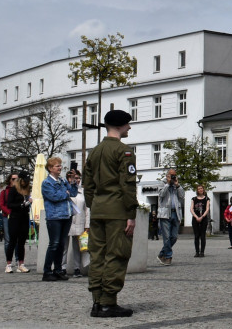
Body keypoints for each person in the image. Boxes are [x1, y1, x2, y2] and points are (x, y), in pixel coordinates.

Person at [83, 109, 138, 318]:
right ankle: (108, 302)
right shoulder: (124, 151)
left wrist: (94, 205)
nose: (129, 127)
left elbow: (88, 185)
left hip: (98, 210)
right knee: (117, 254)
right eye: (128, 124)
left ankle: (97, 301)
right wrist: (131, 213)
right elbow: (127, 184)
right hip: (117, 211)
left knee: (97, 256)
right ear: (120, 126)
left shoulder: (94, 151)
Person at [41, 156, 72, 281]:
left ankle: (58, 270)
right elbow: (54, 197)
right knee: (54, 244)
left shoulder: (63, 180)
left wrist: (73, 183)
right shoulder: (47, 183)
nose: (60, 167)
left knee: (61, 244)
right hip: (54, 217)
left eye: (60, 165)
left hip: (66, 215)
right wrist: (65, 194)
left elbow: (72, 193)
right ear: (50, 168)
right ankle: (47, 271)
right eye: (57, 166)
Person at [156, 168, 184, 266]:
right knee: (167, 237)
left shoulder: (177, 185)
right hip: (165, 214)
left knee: (174, 237)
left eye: (174, 175)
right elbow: (161, 194)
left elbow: (182, 196)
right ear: (167, 175)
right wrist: (167, 184)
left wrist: (178, 185)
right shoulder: (162, 183)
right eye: (171, 175)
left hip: (176, 213)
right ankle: (168, 256)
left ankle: (161, 254)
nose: (173, 177)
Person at [5, 175, 32, 273]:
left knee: (22, 242)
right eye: (24, 181)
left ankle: (21, 264)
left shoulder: (27, 191)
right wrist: (21, 205)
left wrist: (29, 203)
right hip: (14, 218)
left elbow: (27, 205)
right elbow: (9, 204)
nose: (26, 183)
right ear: (20, 180)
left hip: (24, 218)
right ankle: (8, 264)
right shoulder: (13, 190)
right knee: (12, 241)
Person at [66, 168, 88, 277]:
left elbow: (87, 209)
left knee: (78, 247)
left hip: (79, 222)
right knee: (64, 246)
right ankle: (62, 267)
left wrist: (87, 225)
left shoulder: (83, 192)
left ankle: (77, 268)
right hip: (67, 221)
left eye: (78, 178)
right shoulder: (65, 190)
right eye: (75, 178)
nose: (77, 180)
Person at [0, 173, 17, 261]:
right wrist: (9, 212)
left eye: (17, 179)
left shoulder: (20, 191)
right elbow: (1, 205)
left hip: (17, 217)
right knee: (8, 240)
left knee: (17, 240)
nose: (15, 181)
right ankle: (8, 260)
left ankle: (18, 259)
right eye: (13, 179)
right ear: (10, 180)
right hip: (7, 216)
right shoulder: (4, 192)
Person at [191, 184, 210, 258]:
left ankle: (202, 252)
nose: (200, 190)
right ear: (197, 190)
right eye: (199, 189)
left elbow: (207, 209)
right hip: (195, 218)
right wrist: (196, 217)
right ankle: (197, 252)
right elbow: (191, 209)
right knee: (196, 235)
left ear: (203, 189)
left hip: (203, 218)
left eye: (201, 188)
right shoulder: (194, 199)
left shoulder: (207, 199)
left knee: (202, 235)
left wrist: (202, 217)